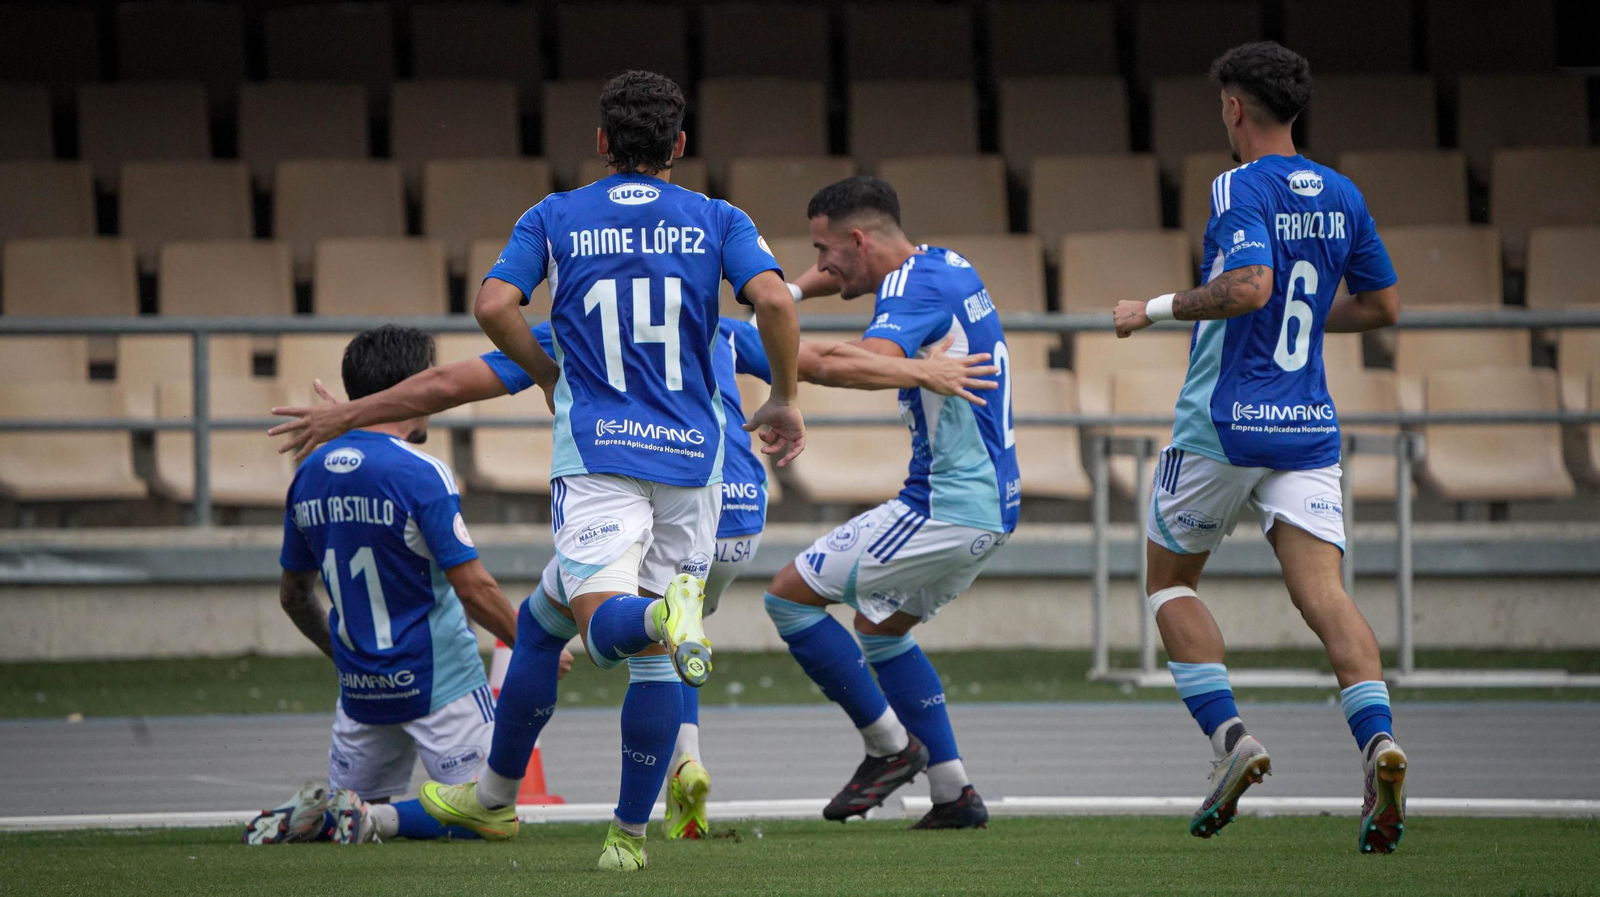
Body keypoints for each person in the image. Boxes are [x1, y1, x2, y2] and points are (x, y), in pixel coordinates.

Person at [269, 320, 998, 842]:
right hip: (726, 507)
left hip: (631, 500)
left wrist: (349, 415)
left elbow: (460, 368)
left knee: (582, 624)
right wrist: (918, 372)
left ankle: (557, 802)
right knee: (669, 636)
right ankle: (670, 780)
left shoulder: (583, 318)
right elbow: (818, 353)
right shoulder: (706, 311)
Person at [335, 70, 798, 872]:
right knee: (558, 626)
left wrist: (546, 375)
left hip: (600, 458)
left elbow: (492, 306)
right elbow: (778, 304)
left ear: (600, 143)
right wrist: (785, 398)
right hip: (695, 463)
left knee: (610, 626)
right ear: (680, 146)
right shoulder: (720, 218)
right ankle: (613, 831)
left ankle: (653, 626)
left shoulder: (555, 217)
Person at [1111, 41, 1407, 854]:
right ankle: (1378, 742)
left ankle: (1231, 738)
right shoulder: (1342, 193)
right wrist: (1304, 326)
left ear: (1234, 108)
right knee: (1325, 596)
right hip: (1308, 427)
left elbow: (1248, 288)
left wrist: (1155, 307)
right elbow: (1382, 307)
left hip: (1224, 423)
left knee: (1168, 582)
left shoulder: (1239, 185)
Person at [762, 176, 1020, 831]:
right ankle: (953, 790)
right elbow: (844, 284)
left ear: (859, 238)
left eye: (824, 249)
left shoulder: (913, 288)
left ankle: (889, 746)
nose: (819, 266)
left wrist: (770, 351)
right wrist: (783, 293)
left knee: (789, 597)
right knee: (879, 630)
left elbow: (859, 363)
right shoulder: (943, 263)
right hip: (990, 501)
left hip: (947, 505)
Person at [251, 325, 534, 846]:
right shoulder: (421, 473)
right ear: (421, 385)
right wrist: (531, 644)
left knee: (355, 816)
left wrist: (345, 656)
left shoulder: (308, 475)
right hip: (440, 684)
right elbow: (473, 587)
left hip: (362, 692)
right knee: (490, 814)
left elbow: (293, 596)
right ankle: (370, 819)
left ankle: (342, 815)